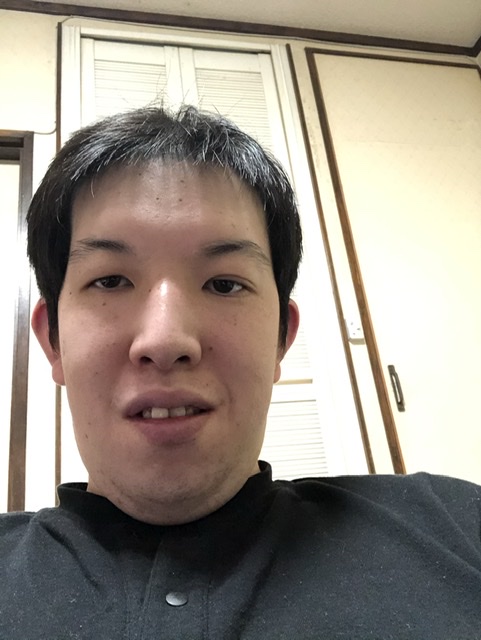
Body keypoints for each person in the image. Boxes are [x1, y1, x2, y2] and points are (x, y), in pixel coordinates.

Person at [1, 105, 480, 640]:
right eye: (110, 281)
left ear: (281, 337)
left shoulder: (458, 526)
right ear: (53, 341)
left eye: (224, 284)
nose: (165, 341)